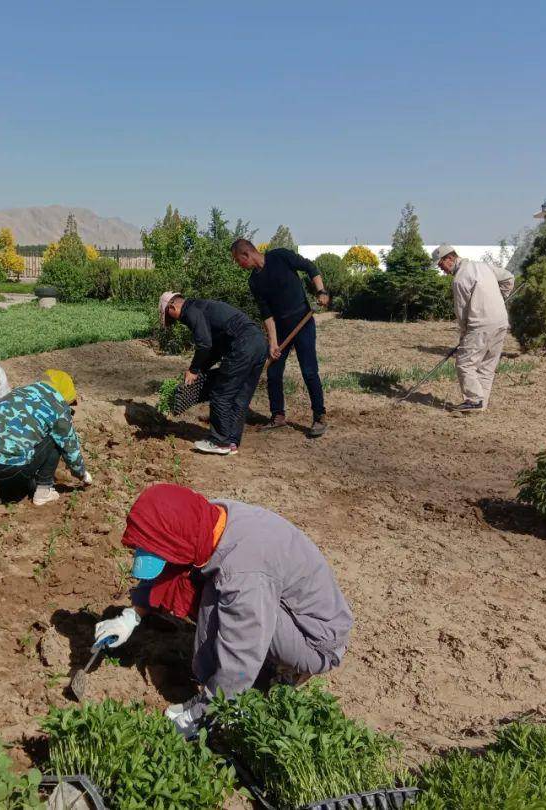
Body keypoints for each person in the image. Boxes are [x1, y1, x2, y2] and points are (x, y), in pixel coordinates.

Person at [94, 483, 352, 739]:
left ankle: (267, 682)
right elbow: (174, 568)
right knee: (209, 583)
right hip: (278, 601)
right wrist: (132, 616)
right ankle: (224, 687)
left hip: (315, 639)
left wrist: (210, 708)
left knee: (226, 602)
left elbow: (242, 651)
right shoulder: (209, 520)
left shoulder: (243, 573)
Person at [230, 239, 329, 438]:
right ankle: (278, 415)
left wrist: (321, 291)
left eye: (237, 260)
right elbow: (267, 315)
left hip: (303, 321)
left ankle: (319, 416)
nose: (238, 265)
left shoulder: (281, 256)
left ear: (246, 254)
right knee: (274, 371)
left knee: (309, 371)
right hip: (282, 329)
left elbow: (310, 267)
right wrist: (273, 343)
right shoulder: (254, 281)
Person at [159, 292, 268, 455]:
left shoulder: (191, 311)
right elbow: (215, 348)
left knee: (221, 393)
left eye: (170, 316)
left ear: (173, 307)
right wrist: (201, 369)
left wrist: (193, 370)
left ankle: (219, 441)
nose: (175, 321)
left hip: (242, 346)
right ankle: (232, 442)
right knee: (240, 397)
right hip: (259, 343)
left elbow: (204, 345)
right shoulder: (204, 307)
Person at [0, 369, 91, 506]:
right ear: (65, 393)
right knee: (55, 438)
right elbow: (69, 446)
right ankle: (44, 491)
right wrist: (82, 474)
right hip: (7, 469)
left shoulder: (18, 393)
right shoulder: (58, 406)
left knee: (0, 445)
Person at [432, 243, 513, 413]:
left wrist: (463, 335)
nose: (441, 269)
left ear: (449, 258)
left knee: (464, 364)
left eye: (441, 265)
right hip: (501, 322)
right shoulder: (483, 266)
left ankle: (474, 400)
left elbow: (461, 312)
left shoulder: (460, 279)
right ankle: (480, 404)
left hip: (480, 325)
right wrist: (500, 298)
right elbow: (508, 277)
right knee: (487, 365)